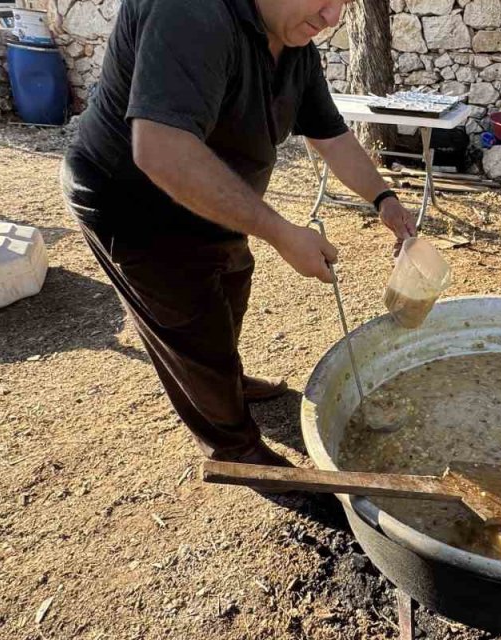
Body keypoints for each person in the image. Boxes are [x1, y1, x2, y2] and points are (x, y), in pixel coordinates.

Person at [60, 0, 415, 468]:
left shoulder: (293, 42)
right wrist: (283, 233)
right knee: (191, 324)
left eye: (344, 4)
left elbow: (330, 135)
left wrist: (383, 199)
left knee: (231, 287)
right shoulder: (189, 12)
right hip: (134, 203)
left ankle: (226, 377)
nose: (332, 19)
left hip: (215, 199)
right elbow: (162, 151)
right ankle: (235, 450)